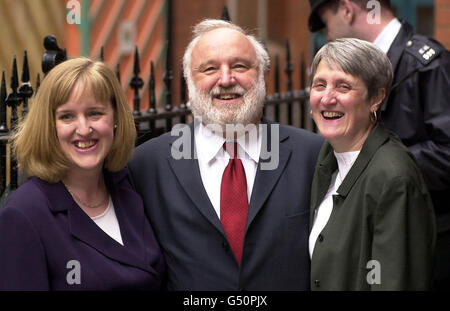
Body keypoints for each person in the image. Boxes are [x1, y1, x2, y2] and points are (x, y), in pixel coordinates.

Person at [127, 19, 323, 290]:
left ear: (263, 74)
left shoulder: (312, 156)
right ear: (188, 82)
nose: (226, 79)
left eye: (240, 66)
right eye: (209, 69)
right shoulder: (147, 166)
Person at [308, 0, 450, 290]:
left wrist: (374, 167)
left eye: (326, 24)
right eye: (320, 85)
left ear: (347, 10)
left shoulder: (426, 63)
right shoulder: (329, 157)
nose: (327, 36)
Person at [0, 58, 164, 290]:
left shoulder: (128, 186)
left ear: (115, 118)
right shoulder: (24, 214)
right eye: (67, 116)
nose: (84, 129)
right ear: (49, 126)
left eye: (95, 113)